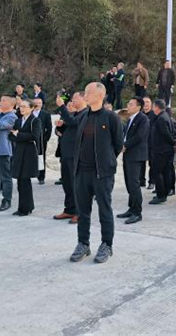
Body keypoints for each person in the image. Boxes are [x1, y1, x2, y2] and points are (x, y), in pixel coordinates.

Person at [56, 82, 123, 264]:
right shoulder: (84, 116)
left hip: (102, 173)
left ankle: (107, 245)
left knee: (104, 210)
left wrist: (107, 161)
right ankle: (83, 244)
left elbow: (118, 145)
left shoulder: (111, 117)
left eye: (88, 92)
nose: (85, 95)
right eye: (84, 92)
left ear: (100, 95)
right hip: (81, 172)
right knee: (83, 212)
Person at [53, 92, 87, 224]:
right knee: (67, 184)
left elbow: (74, 124)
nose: (72, 101)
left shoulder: (86, 113)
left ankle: (79, 212)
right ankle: (69, 209)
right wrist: (60, 126)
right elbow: (68, 127)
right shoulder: (75, 114)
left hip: (76, 155)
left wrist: (62, 107)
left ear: (83, 98)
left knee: (76, 185)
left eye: (75, 99)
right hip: (66, 154)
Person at [117, 97, 150, 223]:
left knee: (134, 183)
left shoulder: (143, 119)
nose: (128, 106)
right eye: (128, 103)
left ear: (138, 107)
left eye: (131, 104)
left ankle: (137, 212)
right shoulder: (131, 119)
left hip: (136, 155)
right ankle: (131, 208)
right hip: (128, 154)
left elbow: (140, 136)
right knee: (128, 182)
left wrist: (125, 145)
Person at [8, 99, 41, 216]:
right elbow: (10, 136)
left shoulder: (35, 121)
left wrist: (19, 134)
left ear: (31, 108)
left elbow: (35, 136)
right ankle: (22, 207)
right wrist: (19, 136)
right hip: (18, 151)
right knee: (20, 181)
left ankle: (26, 208)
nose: (21, 109)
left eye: (24, 106)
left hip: (29, 152)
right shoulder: (18, 121)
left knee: (25, 180)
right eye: (20, 106)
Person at [148, 99, 176, 204]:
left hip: (161, 150)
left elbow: (166, 134)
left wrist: (173, 142)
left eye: (153, 106)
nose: (152, 108)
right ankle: (164, 192)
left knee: (158, 172)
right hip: (164, 149)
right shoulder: (164, 116)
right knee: (165, 172)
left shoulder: (161, 118)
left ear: (157, 107)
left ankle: (161, 195)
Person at [32, 97, 52, 185]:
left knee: (41, 157)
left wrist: (46, 138)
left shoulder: (45, 114)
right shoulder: (29, 113)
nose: (37, 104)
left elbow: (49, 127)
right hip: (30, 139)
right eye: (36, 103)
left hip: (41, 139)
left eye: (39, 103)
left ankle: (41, 176)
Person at [141, 96, 156, 189]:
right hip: (141, 143)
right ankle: (141, 180)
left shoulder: (154, 115)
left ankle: (152, 182)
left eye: (148, 102)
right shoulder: (140, 115)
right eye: (144, 102)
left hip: (151, 143)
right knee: (141, 163)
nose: (146, 104)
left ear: (151, 104)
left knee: (152, 163)